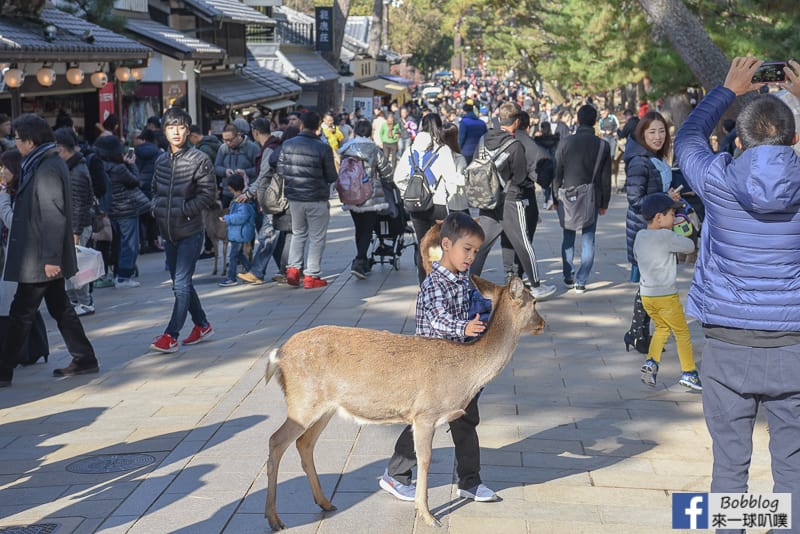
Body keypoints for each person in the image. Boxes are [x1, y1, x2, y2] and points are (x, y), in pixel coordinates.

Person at [675, 56, 800, 532]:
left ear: (740, 141)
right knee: (793, 467)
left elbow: (687, 139)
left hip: (728, 344)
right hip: (793, 344)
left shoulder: (716, 179)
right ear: (791, 138)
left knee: (729, 466)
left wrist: (726, 89)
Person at [380, 212, 498, 503]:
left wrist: (479, 314)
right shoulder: (434, 283)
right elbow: (437, 320)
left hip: (457, 369)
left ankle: (470, 481)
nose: (471, 257)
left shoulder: (462, 279)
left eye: (475, 252)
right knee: (424, 422)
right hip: (431, 370)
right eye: (466, 250)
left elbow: (464, 309)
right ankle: (395, 475)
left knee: (466, 420)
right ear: (446, 244)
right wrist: (463, 326)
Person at [0, 114, 99, 386]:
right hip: (39, 254)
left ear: (30, 142)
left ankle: (4, 370)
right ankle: (84, 357)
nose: (16, 143)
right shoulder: (43, 162)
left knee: (21, 312)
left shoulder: (46, 167)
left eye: (18, 139)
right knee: (60, 308)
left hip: (40, 256)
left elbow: (53, 215)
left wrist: (51, 259)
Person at [469, 102, 557, 300]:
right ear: (517, 121)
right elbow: (519, 175)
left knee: (481, 245)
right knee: (523, 243)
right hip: (511, 199)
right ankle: (535, 285)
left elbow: (476, 163)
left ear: (500, 119)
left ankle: (468, 283)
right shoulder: (514, 144)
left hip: (488, 199)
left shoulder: (484, 139)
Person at [149, 108, 216, 353]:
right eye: (171, 127)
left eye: (180, 127)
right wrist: (156, 207)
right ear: (164, 131)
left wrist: (185, 210)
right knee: (182, 283)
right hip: (168, 232)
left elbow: (208, 195)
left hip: (190, 230)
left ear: (188, 130)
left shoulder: (199, 159)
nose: (176, 132)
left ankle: (171, 334)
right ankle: (202, 324)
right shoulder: (161, 159)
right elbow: (154, 188)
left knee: (180, 284)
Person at [623, 111, 682, 353]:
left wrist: (669, 199)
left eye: (661, 131)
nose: (657, 137)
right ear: (642, 134)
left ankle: (637, 334)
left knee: (650, 285)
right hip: (644, 231)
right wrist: (663, 199)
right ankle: (637, 334)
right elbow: (635, 200)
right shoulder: (640, 161)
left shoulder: (653, 157)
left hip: (656, 230)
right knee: (649, 285)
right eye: (652, 132)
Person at [633, 192, 701, 390]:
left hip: (647, 296)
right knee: (682, 333)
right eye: (672, 214)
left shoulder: (640, 235)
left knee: (662, 329)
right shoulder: (666, 236)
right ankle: (689, 373)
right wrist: (683, 230)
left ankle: (651, 363)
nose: (674, 218)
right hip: (666, 296)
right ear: (659, 217)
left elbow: (637, 257)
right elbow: (689, 247)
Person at [393, 113, 463, 284]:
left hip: (416, 205)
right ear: (438, 128)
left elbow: (398, 177)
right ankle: (440, 282)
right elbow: (452, 180)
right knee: (440, 245)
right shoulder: (443, 149)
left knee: (423, 244)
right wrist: (451, 199)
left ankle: (424, 282)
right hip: (438, 204)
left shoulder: (410, 149)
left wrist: (408, 193)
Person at [552, 105, 612, 293]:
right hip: (591, 197)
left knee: (567, 238)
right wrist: (604, 203)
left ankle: (568, 275)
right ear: (595, 122)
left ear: (577, 120)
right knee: (588, 239)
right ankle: (581, 280)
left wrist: (554, 196)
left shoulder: (565, 143)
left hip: (567, 197)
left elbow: (557, 173)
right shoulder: (603, 145)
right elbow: (605, 178)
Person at [0, 149, 50, 367]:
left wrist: (1, 199)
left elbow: (14, 222)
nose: (1, 171)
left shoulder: (19, 191)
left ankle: (23, 353)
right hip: (14, 257)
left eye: (4, 167)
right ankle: (33, 350)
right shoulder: (11, 190)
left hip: (22, 258)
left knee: (13, 305)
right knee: (22, 305)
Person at [278, 111, 337, 289]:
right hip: (316, 198)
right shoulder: (323, 147)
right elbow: (331, 175)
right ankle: (311, 275)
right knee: (317, 236)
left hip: (294, 197)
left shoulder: (287, 144)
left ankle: (293, 270)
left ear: (301, 125)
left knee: (298, 233)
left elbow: (281, 171)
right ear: (318, 127)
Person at [237, 123, 295, 285]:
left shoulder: (269, 149)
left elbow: (264, 177)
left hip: (273, 198)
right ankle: (287, 270)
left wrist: (249, 193)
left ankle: (257, 272)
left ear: (255, 132)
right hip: (279, 197)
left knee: (268, 236)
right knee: (278, 237)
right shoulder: (274, 146)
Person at [339, 120, 394, 279]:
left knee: (359, 228)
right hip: (371, 195)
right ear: (370, 133)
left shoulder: (347, 149)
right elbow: (386, 171)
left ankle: (362, 260)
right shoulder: (374, 150)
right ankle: (360, 260)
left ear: (355, 131)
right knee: (368, 229)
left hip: (352, 194)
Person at [501, 110, 551, 283]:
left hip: (501, 193)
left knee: (507, 235)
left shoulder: (502, 139)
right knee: (525, 236)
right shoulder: (531, 145)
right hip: (522, 194)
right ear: (527, 126)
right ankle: (519, 273)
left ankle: (509, 271)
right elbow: (542, 176)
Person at [94, 135, 150, 289]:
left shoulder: (100, 166)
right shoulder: (118, 168)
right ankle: (123, 277)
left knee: (117, 244)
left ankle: (114, 274)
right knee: (130, 244)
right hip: (126, 209)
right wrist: (131, 164)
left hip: (109, 210)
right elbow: (135, 181)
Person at [54, 128, 96, 315]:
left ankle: (85, 302)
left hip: (75, 226)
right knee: (71, 266)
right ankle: (74, 300)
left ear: (62, 149)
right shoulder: (72, 167)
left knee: (78, 266)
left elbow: (79, 205)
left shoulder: (76, 171)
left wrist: (76, 232)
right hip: (70, 226)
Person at [218, 174, 255, 287]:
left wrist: (227, 218)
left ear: (231, 188)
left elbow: (241, 217)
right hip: (238, 232)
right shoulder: (239, 199)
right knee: (239, 255)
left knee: (233, 255)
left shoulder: (240, 201)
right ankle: (253, 272)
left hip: (239, 233)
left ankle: (231, 277)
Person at [215, 123, 259, 208]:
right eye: (224, 140)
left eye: (230, 140)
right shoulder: (223, 148)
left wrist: (245, 172)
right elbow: (216, 167)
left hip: (246, 193)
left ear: (238, 135)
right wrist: (225, 171)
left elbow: (259, 169)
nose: (227, 143)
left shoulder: (253, 148)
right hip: (227, 193)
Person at [134, 129, 163, 253]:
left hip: (139, 187)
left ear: (143, 139)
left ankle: (142, 243)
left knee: (140, 217)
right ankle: (153, 242)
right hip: (153, 187)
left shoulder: (135, 152)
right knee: (152, 217)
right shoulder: (158, 152)